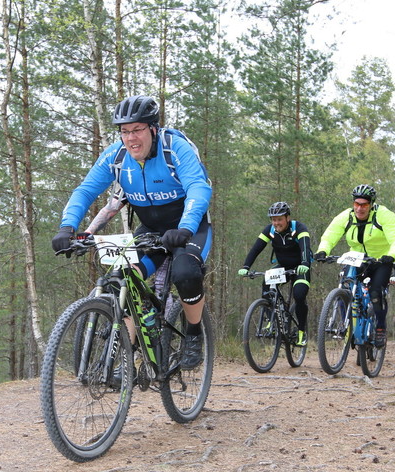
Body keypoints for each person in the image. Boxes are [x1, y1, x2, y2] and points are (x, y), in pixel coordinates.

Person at [51, 95, 212, 370]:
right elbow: (86, 190)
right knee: (124, 277)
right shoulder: (117, 156)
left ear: (153, 128)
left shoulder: (174, 149)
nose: (131, 138)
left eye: (137, 129)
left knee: (185, 273)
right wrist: (68, 227)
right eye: (125, 131)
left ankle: (194, 333)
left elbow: (199, 187)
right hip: (150, 230)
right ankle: (125, 361)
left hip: (189, 228)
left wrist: (185, 227)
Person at [313, 184, 395, 348]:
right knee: (345, 285)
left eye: (364, 204)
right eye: (356, 204)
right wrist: (323, 250)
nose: (359, 208)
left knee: (376, 291)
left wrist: (391, 256)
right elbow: (330, 234)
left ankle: (380, 328)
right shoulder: (346, 216)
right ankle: (347, 325)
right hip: (356, 259)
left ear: (371, 205)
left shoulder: (384, 215)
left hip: (380, 260)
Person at [237, 201, 312, 346]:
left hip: (300, 268)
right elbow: (256, 249)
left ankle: (302, 332)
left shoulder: (299, 228)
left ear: (287, 218)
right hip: (283, 267)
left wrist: (305, 264)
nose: (276, 223)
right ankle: (271, 320)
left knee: (299, 295)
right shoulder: (269, 230)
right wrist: (246, 266)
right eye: (273, 219)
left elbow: (305, 247)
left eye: (279, 219)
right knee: (266, 283)